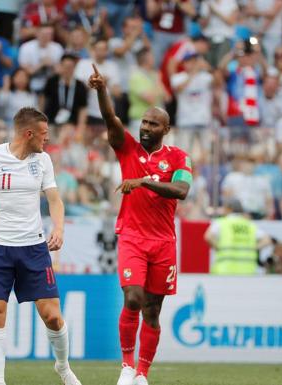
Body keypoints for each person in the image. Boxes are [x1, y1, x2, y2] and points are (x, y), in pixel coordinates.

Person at [0, 107, 81, 385]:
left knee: (52, 316)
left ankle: (62, 367)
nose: (47, 140)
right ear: (28, 134)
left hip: (34, 248)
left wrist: (59, 228)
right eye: (43, 134)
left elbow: (54, 199)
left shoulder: (44, 161)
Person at [88, 64, 192, 385]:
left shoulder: (178, 157)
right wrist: (103, 90)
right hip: (132, 235)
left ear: (166, 129)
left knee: (152, 310)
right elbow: (110, 119)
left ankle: (143, 374)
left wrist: (144, 181)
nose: (145, 127)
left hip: (163, 241)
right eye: (144, 122)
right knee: (133, 298)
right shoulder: (128, 147)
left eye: (153, 124)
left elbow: (182, 191)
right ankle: (126, 366)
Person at [204, 199, 271, 275]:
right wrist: (253, 248)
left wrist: (219, 247)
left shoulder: (222, 222)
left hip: (224, 271)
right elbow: (267, 240)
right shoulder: (249, 225)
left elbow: (208, 236)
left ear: (229, 209)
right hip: (247, 272)